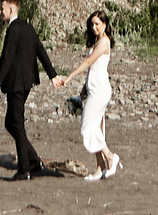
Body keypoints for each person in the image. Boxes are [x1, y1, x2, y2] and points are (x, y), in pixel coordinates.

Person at [0, 0, 56, 180]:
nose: (0, 12)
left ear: (10, 9)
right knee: (12, 122)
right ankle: (33, 160)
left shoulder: (13, 30)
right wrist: (52, 75)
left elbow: (6, 61)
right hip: (27, 82)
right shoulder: (27, 27)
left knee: (15, 123)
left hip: (16, 83)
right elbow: (41, 50)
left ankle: (25, 169)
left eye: (2, 9)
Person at [51, 9, 121, 180]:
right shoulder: (98, 41)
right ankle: (100, 167)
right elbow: (93, 68)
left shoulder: (104, 42)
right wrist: (83, 88)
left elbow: (89, 62)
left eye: (97, 24)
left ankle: (110, 156)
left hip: (100, 91)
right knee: (96, 128)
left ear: (105, 24)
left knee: (87, 128)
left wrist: (70, 77)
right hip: (93, 89)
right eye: (92, 24)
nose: (94, 27)